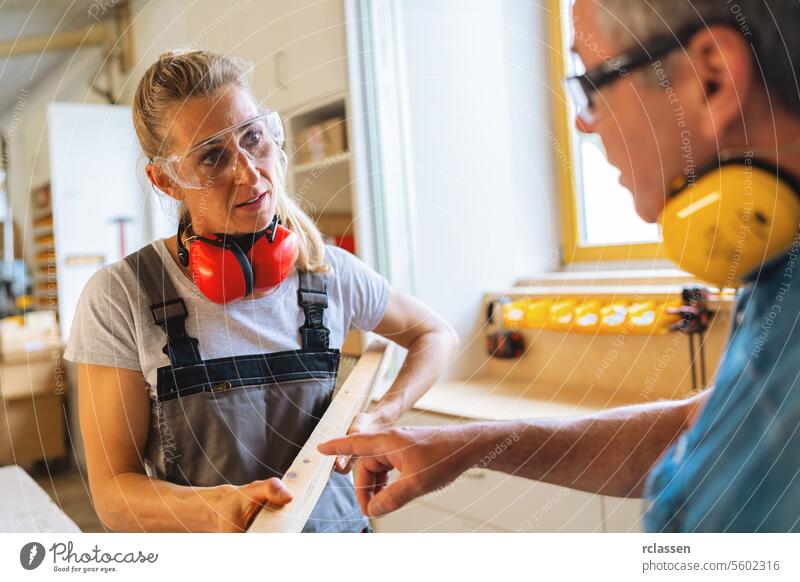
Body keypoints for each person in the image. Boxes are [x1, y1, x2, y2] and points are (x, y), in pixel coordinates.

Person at [319, 0, 800, 532]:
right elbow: (710, 423)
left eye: (593, 86)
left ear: (709, 77)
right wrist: (465, 444)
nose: (581, 122)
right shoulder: (776, 262)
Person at [64, 50, 459, 533]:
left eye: (254, 138)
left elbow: (436, 335)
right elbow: (112, 495)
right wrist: (213, 510)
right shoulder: (121, 296)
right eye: (212, 156)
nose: (249, 173)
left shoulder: (326, 272)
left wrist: (383, 414)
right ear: (165, 179)